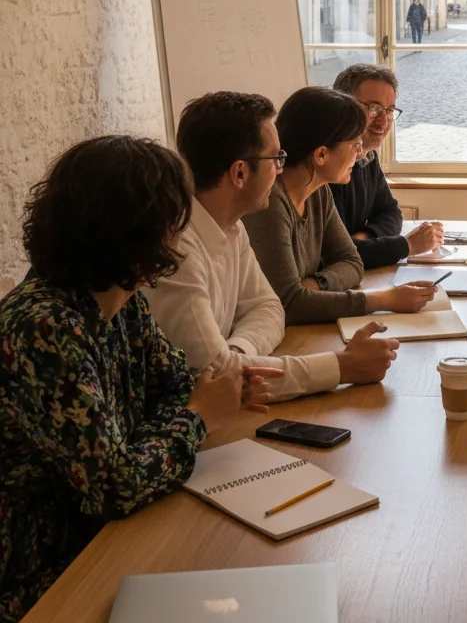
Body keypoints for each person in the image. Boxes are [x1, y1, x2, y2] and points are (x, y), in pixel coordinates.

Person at [0, 136, 279, 622]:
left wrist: (183, 414)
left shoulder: (120, 301)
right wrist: (198, 418)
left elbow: (175, 385)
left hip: (109, 534)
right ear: (135, 230)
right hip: (47, 575)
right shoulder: (43, 328)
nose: (182, 228)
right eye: (174, 216)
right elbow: (115, 486)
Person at [148, 91, 402, 402]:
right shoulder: (177, 250)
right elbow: (217, 374)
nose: (282, 169)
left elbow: (269, 309)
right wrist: (342, 367)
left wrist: (237, 353)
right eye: (276, 158)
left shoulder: (233, 226)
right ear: (240, 172)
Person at [244, 86, 437, 325]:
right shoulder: (270, 204)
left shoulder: (318, 192)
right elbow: (289, 305)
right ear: (321, 154)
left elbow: (353, 262)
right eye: (355, 144)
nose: (359, 154)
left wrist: (315, 285)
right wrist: (382, 300)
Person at [330, 64, 444, 268]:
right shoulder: (328, 166)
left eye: (389, 110)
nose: (383, 120)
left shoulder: (368, 157)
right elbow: (339, 255)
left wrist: (364, 237)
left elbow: (391, 213)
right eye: (373, 108)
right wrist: (407, 245)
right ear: (343, 106)